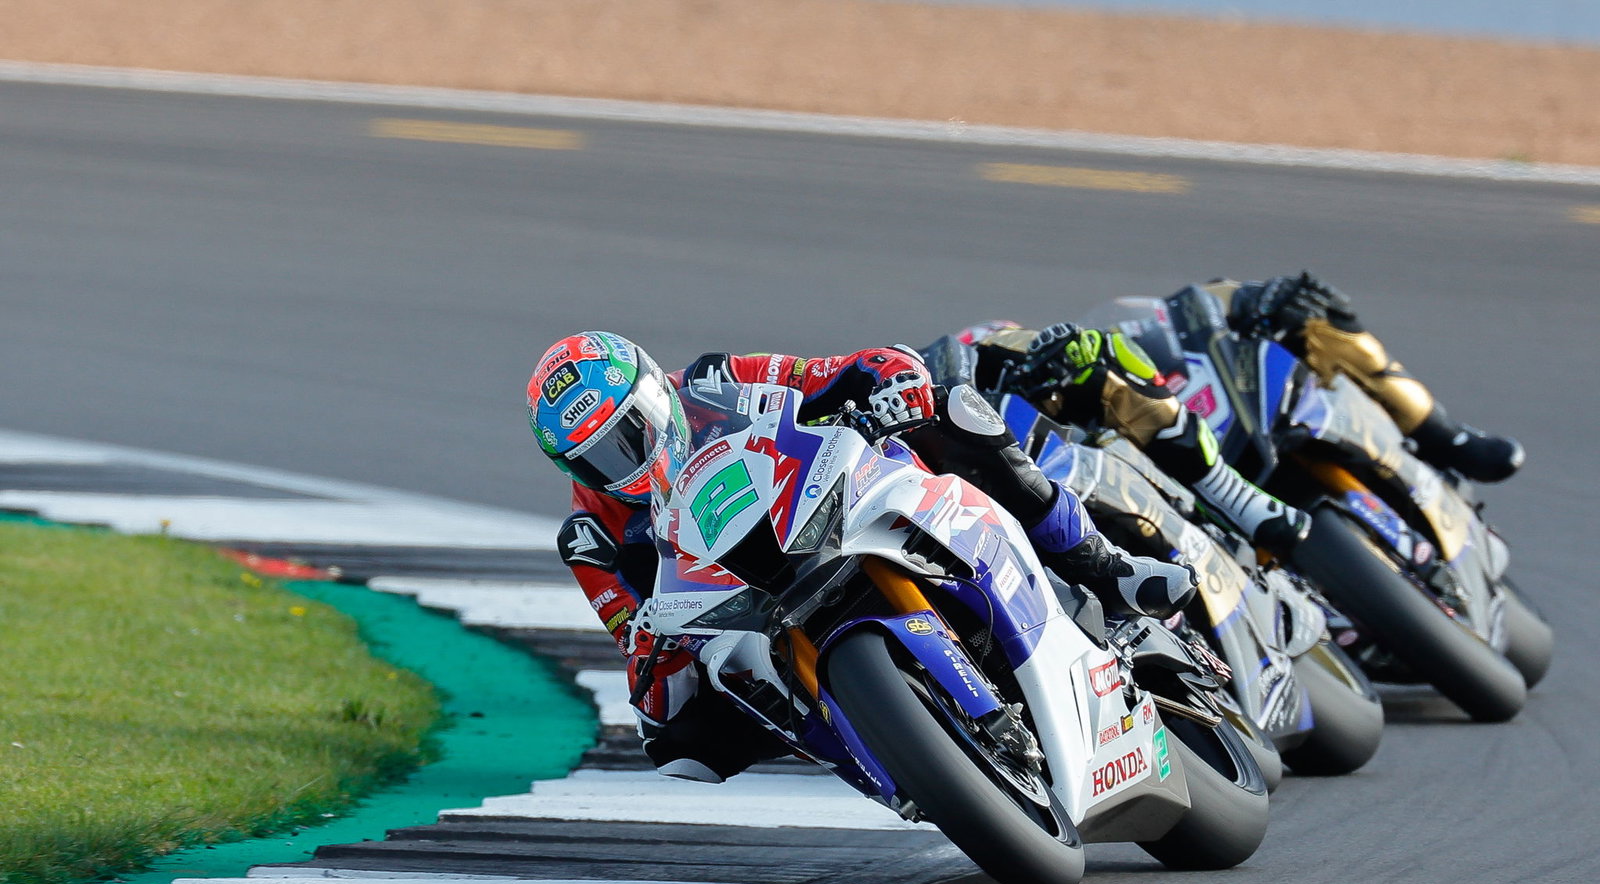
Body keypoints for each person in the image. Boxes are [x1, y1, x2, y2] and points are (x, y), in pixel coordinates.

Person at [528, 330, 1197, 783]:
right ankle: (878, 750)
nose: (627, 460)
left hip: (825, 503)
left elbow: (842, 370)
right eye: (599, 457)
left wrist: (892, 383)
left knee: (952, 411)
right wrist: (650, 646)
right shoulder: (591, 533)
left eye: (631, 432)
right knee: (676, 744)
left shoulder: (711, 381)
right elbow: (638, 653)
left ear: (653, 393)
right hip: (741, 603)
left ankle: (1101, 564)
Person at [957, 272, 1524, 553]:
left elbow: (1204, 304)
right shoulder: (1026, 433)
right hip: (1157, 491)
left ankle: (1444, 435)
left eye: (1010, 351)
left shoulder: (1103, 345)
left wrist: (1261, 300)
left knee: (1316, 308)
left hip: (1215, 423)